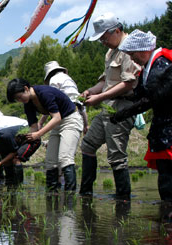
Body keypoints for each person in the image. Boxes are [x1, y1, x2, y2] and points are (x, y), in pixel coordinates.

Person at [79, 13, 141, 199]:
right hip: (108, 107)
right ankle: (86, 193)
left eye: (104, 37)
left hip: (123, 107)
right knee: (88, 144)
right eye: (100, 40)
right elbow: (106, 82)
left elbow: (128, 84)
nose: (103, 42)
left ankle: (123, 199)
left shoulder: (129, 48)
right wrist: (90, 91)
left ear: (117, 30)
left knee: (116, 156)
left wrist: (99, 98)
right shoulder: (110, 52)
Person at [110, 29, 172, 202]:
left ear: (144, 50)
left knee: (168, 180)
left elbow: (152, 99)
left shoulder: (161, 65)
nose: (132, 59)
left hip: (169, 130)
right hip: (164, 130)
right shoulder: (149, 68)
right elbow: (142, 95)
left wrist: (123, 114)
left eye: (132, 54)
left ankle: (167, 221)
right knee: (165, 176)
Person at [6, 78, 80, 191]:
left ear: (26, 88)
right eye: (17, 99)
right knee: (50, 161)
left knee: (65, 158)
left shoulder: (44, 93)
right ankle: (52, 194)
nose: (19, 100)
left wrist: (38, 134)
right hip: (57, 124)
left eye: (19, 97)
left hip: (70, 120)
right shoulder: (28, 104)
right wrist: (28, 138)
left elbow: (56, 117)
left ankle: (70, 197)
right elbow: (33, 127)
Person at [31, 61, 85, 191]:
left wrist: (41, 123)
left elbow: (52, 104)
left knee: (60, 159)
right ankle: (67, 198)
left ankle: (55, 195)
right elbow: (80, 104)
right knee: (63, 158)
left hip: (65, 117)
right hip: (74, 114)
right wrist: (86, 124)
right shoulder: (70, 80)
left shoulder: (54, 80)